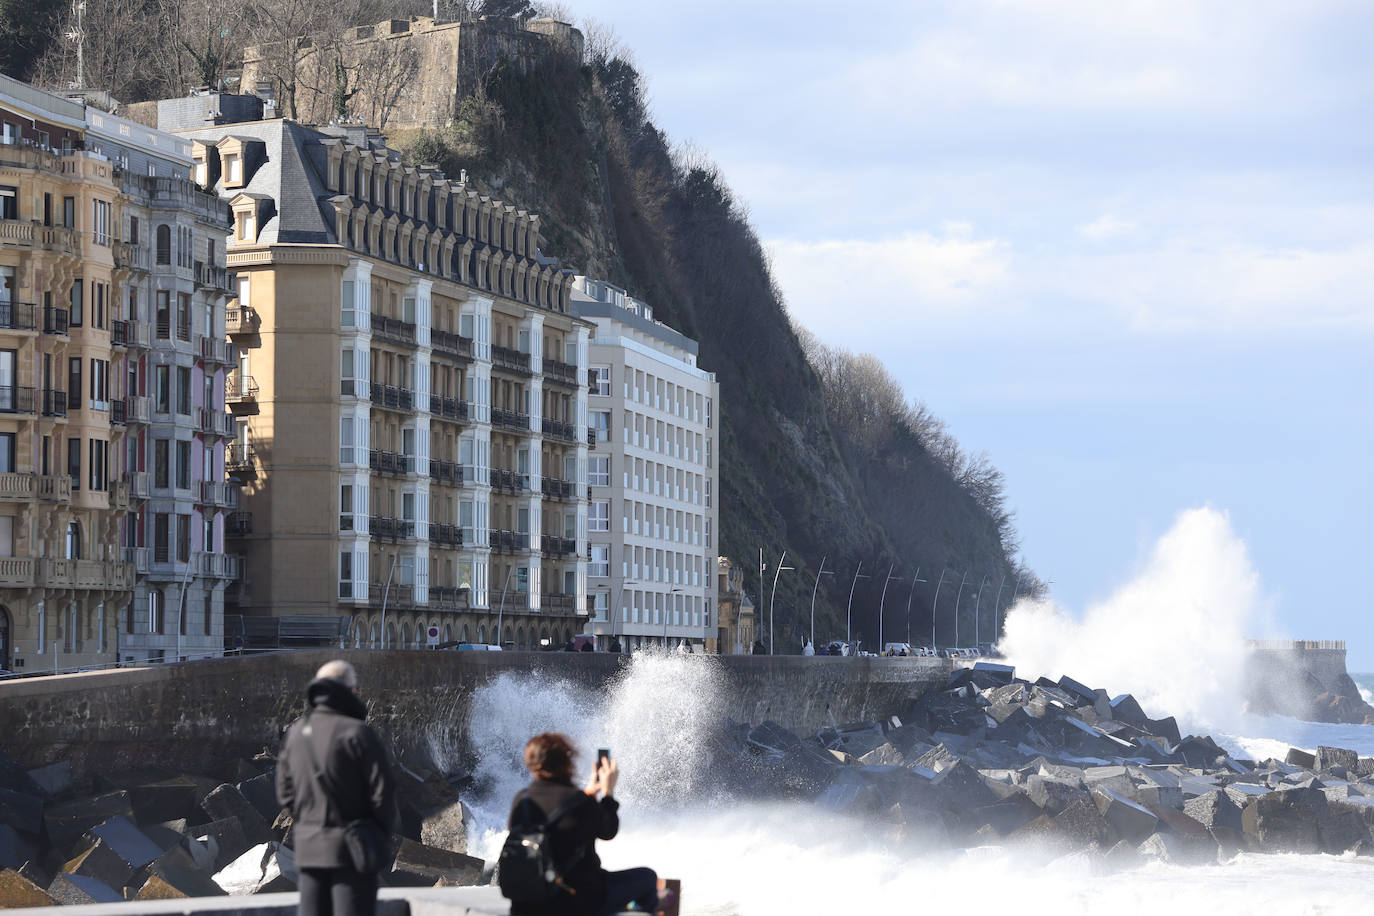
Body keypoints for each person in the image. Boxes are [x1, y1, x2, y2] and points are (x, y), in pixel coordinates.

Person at [276, 660, 398, 916]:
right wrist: (378, 834)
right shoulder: (359, 734)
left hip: (308, 850)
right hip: (352, 850)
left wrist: (309, 821)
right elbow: (383, 794)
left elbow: (285, 794)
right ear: (351, 690)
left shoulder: (297, 733)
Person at [507, 733, 658, 915]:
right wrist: (608, 792)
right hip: (577, 901)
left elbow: (560, 818)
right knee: (648, 878)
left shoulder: (522, 800)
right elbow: (608, 830)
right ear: (567, 762)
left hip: (528, 903)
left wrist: (589, 792)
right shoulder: (580, 803)